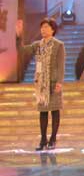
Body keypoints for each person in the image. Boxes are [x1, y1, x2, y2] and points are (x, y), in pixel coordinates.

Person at [16, 18, 65, 151]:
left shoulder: (58, 45)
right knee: (43, 112)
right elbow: (22, 50)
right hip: (41, 84)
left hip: (53, 83)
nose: (43, 30)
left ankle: (53, 139)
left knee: (54, 111)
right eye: (42, 27)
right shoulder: (37, 45)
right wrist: (18, 36)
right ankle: (43, 139)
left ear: (53, 30)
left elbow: (60, 65)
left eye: (46, 27)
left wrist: (59, 82)